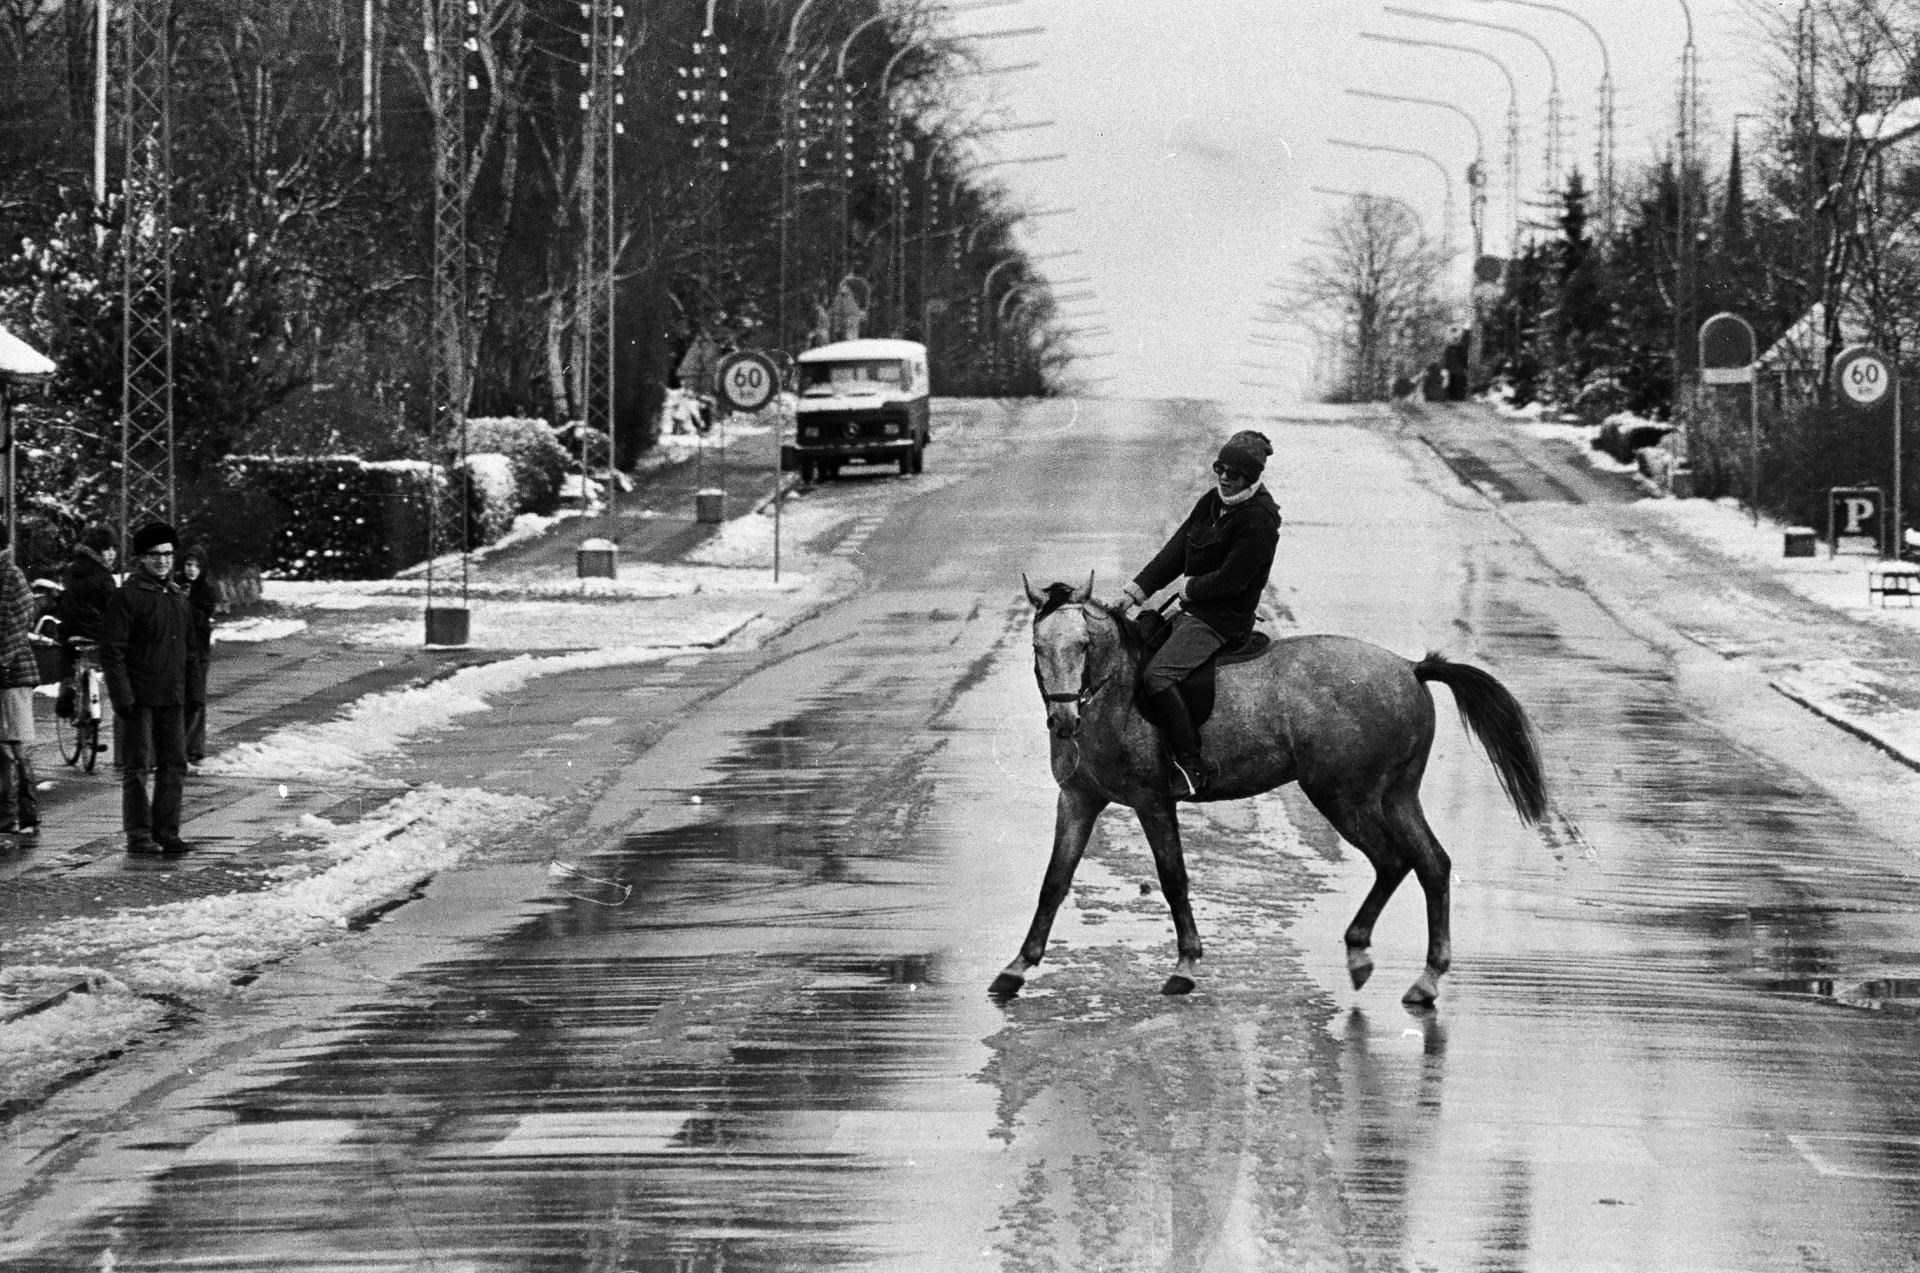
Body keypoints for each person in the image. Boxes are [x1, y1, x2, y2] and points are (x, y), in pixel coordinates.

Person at [1105, 430, 1282, 798]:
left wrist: (1191, 588)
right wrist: (1134, 593)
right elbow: (1175, 551)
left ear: (1251, 477)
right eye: (1220, 468)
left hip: (1222, 620)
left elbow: (1234, 580)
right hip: (1192, 612)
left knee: (1158, 676)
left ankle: (1190, 765)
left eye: (1235, 474)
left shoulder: (1259, 519)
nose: (1224, 478)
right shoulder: (1211, 502)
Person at [100, 522, 198, 855]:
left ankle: (167, 830)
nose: (162, 561)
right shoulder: (127, 597)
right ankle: (139, 834)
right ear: (142, 558)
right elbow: (112, 650)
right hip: (139, 697)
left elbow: (190, 650)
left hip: (172, 695)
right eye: (154, 555)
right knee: (137, 768)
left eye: (168, 554)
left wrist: (194, 693)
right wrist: (122, 696)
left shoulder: (176, 597)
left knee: (174, 765)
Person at [0, 526, 42, 836]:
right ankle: (24, 813)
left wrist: (1, 658)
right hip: (15, 672)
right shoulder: (11, 575)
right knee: (15, 742)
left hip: (10, 673)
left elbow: (12, 627)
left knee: (10, 744)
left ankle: (12, 813)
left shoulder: (8, 577)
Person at [54, 525, 118, 719]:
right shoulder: (104, 577)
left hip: (69, 628)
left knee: (69, 657)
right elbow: (113, 608)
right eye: (107, 549)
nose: (112, 554)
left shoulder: (72, 569)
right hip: (95, 631)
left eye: (113, 548)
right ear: (97, 551)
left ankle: (69, 686)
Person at [177, 545, 218, 765]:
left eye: (196, 566)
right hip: (177, 650)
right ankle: (179, 745)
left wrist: (184, 603)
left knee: (196, 698)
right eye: (188, 565)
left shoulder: (207, 589)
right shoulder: (175, 584)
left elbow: (201, 618)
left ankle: (194, 747)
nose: (192, 570)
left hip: (199, 651)